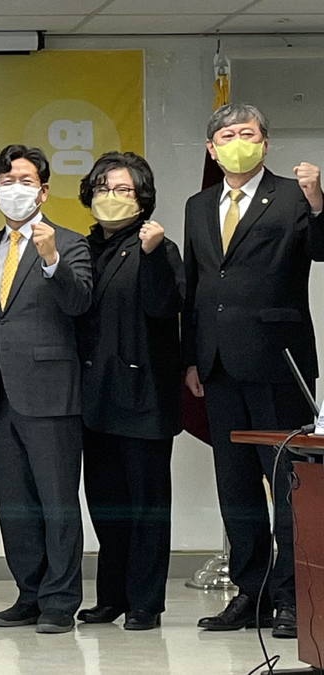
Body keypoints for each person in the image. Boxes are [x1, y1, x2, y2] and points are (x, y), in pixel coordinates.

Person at [184, 103, 324, 639]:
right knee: (236, 485)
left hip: (277, 361)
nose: (237, 142)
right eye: (226, 135)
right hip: (218, 364)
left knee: (287, 483)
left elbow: (321, 249)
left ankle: (292, 596)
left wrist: (318, 201)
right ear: (211, 148)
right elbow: (197, 285)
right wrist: (192, 357)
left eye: (247, 133)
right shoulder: (199, 204)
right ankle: (251, 594)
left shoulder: (293, 194)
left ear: (265, 143)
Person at [0, 144, 92, 634]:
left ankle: (61, 600)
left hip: (52, 392)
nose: (14, 189)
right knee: (15, 503)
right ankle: (29, 593)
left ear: (42, 191)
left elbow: (80, 303)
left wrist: (51, 260)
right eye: (6, 182)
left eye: (24, 181)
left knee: (57, 500)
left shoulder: (70, 243)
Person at [74, 152, 183, 631]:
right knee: (106, 503)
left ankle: (145, 602)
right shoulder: (81, 248)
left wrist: (154, 254)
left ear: (142, 198)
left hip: (144, 395)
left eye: (122, 189)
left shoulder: (157, 245)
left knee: (147, 506)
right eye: (103, 188)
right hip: (94, 397)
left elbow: (164, 307)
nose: (110, 197)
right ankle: (111, 597)